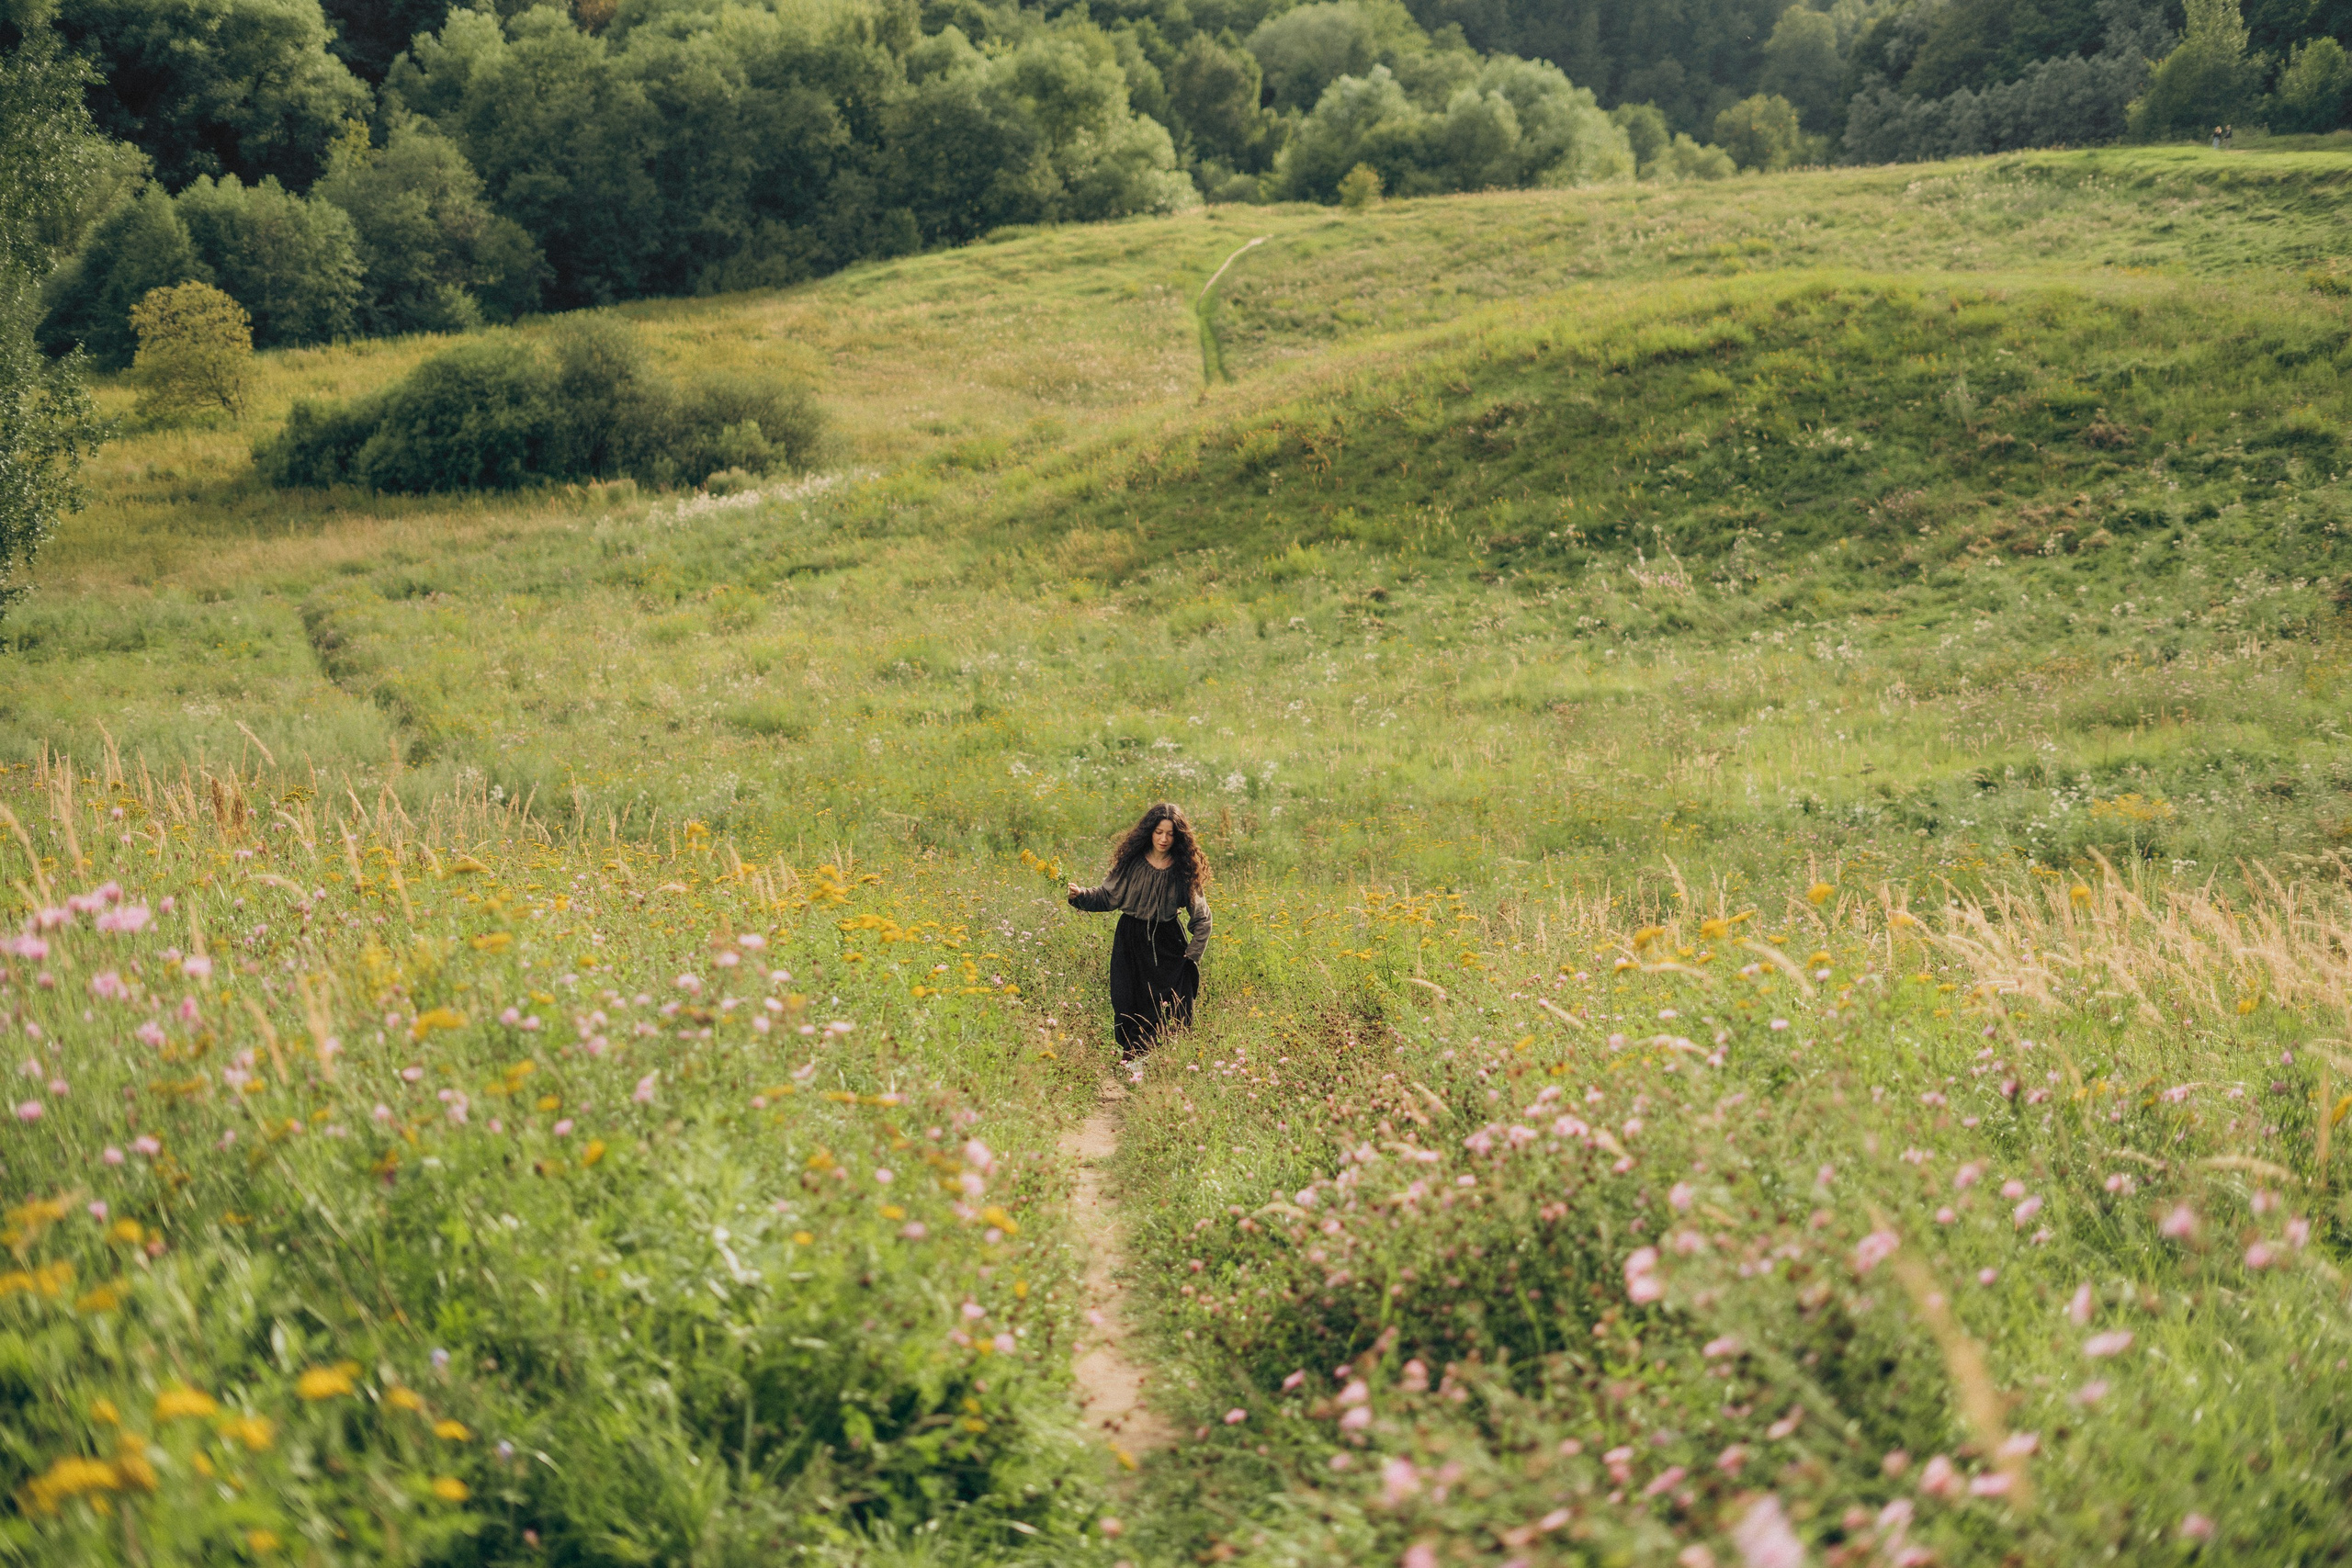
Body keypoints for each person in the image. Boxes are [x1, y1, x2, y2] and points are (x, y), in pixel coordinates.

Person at [1067, 802, 1214, 1058]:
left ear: (1178, 836)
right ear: (1149, 832)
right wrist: (1080, 895)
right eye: (1159, 832)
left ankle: (1151, 1062)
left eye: (1170, 833)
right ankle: (1134, 1056)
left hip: (1167, 941)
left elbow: (1202, 917)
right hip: (1130, 939)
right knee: (1126, 1000)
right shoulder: (1132, 862)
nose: (1164, 839)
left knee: (1164, 1005)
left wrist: (1192, 955)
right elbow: (1106, 896)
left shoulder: (1183, 869)